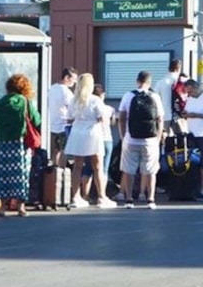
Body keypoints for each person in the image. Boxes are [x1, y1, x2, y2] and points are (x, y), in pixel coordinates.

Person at [0, 73, 40, 219]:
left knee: (4, 174)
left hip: (4, 143)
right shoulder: (25, 102)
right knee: (21, 174)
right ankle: (20, 207)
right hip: (20, 144)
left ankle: (2, 206)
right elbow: (36, 120)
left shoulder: (0, 103)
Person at [64, 73, 115, 209]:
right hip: (93, 131)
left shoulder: (74, 100)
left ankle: (76, 196)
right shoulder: (95, 100)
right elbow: (102, 117)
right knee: (97, 166)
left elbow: (69, 118)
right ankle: (101, 197)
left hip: (77, 131)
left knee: (77, 165)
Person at [118, 71, 164, 209]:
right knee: (150, 170)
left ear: (137, 81)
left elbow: (121, 117)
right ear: (149, 82)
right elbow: (160, 119)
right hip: (150, 140)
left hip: (131, 139)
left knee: (129, 170)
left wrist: (123, 135)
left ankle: (129, 199)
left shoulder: (128, 95)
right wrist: (158, 137)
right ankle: (150, 199)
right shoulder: (155, 96)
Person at [48, 67, 77, 168]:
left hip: (52, 124)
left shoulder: (52, 88)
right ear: (66, 77)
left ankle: (54, 170)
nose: (75, 82)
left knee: (55, 149)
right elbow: (72, 107)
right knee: (64, 150)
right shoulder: (66, 92)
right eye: (73, 79)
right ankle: (62, 170)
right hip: (64, 124)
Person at [153, 59, 186, 134]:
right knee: (181, 141)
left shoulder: (160, 82)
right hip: (179, 116)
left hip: (164, 116)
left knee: (165, 140)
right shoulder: (183, 82)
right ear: (179, 69)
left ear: (168, 69)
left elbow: (154, 100)